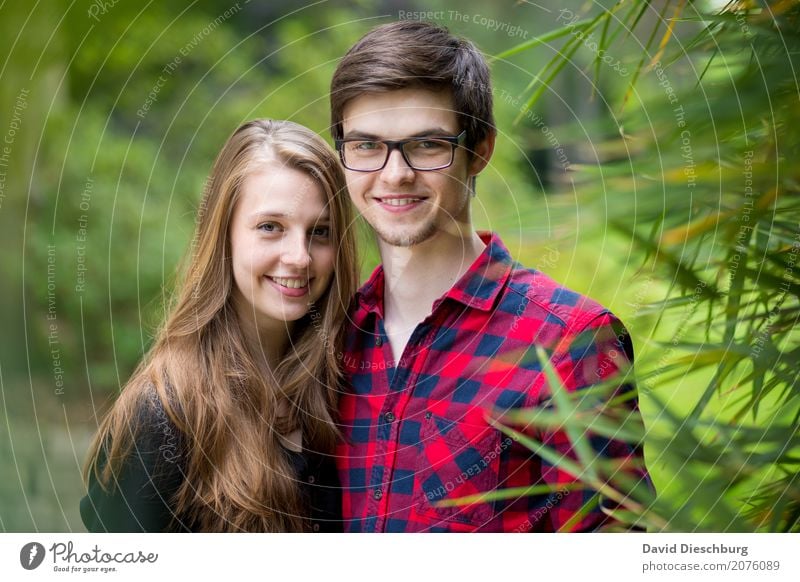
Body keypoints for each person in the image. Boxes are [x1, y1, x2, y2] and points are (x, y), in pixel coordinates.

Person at [330, 21, 646, 532]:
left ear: (480, 150)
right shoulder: (327, 337)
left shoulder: (572, 342)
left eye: (427, 145)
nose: (394, 174)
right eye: (366, 145)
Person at [80, 119, 358, 532]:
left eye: (320, 232)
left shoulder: (349, 389)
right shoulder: (164, 418)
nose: (299, 257)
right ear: (222, 233)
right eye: (271, 227)